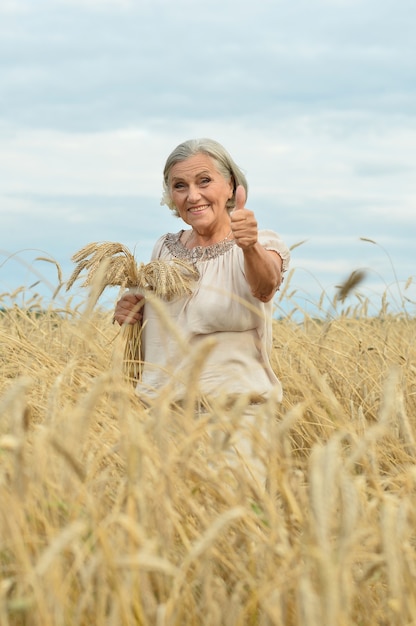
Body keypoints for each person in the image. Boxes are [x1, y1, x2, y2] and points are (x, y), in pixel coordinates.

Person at [113, 138, 290, 485]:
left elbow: (265, 287)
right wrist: (132, 312)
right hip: (164, 419)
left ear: (231, 188)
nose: (192, 196)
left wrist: (249, 245)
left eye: (204, 181)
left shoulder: (260, 243)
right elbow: (163, 322)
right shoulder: (164, 248)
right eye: (180, 186)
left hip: (236, 422)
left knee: (238, 526)